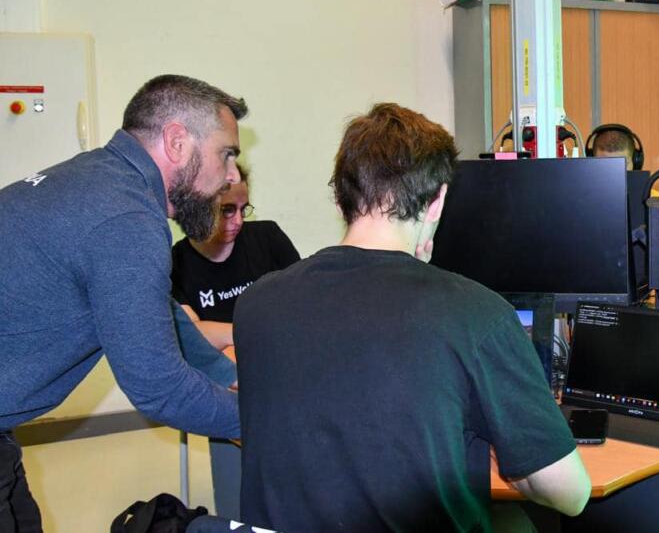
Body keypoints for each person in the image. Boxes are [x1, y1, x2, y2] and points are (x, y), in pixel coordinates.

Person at [234, 103, 590, 531]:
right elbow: (570, 494)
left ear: (340, 198)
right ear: (437, 200)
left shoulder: (257, 304)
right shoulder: (476, 314)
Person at [0, 74, 247, 532]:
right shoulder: (127, 218)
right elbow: (159, 388)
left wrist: (227, 377)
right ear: (177, 142)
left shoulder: (98, 178)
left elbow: (156, 311)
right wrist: (259, 421)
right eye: (226, 153)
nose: (231, 175)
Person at [171, 164, 300, 520]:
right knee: (237, 392)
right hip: (229, 372)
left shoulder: (267, 238)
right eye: (227, 210)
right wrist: (251, 329)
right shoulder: (177, 262)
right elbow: (192, 336)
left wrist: (227, 332)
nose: (238, 221)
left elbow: (301, 305)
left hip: (277, 357)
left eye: (244, 209)